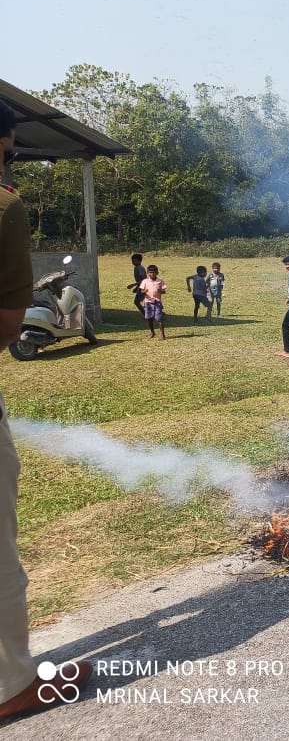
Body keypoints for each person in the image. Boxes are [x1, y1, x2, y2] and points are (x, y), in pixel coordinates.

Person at [0, 100, 93, 719]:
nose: (11, 169)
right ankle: (10, 686)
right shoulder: (4, 205)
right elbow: (8, 321)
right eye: (8, 152)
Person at [138, 265, 167, 340]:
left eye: (154, 272)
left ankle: (162, 334)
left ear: (157, 273)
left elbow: (164, 291)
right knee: (149, 318)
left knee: (159, 318)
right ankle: (152, 332)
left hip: (157, 302)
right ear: (147, 273)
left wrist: (161, 291)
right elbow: (141, 290)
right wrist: (144, 291)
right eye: (150, 273)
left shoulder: (160, 281)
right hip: (148, 302)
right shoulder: (145, 281)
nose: (152, 274)